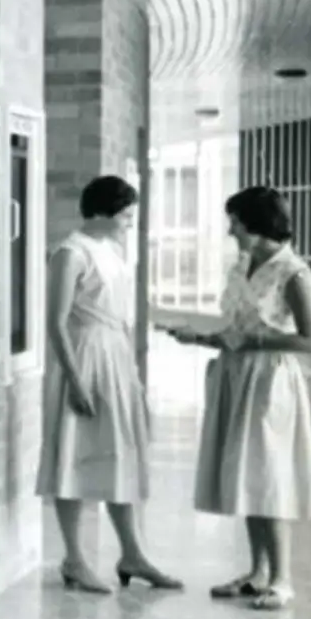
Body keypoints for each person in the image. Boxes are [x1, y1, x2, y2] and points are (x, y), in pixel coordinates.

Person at [158, 185, 311, 611]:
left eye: (235, 221)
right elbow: (235, 329)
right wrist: (200, 338)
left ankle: (283, 580)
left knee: (270, 476)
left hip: (270, 382)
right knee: (250, 475)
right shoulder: (242, 265)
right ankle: (257, 574)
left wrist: (254, 342)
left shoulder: (293, 272)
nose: (230, 229)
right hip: (238, 377)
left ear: (257, 223)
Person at [39, 175, 180, 594]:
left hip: (115, 359)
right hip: (84, 359)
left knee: (120, 454)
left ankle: (132, 553)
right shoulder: (70, 253)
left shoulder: (113, 251)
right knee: (75, 455)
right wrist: (76, 382)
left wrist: (132, 376)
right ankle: (75, 559)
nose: (128, 224)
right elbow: (56, 322)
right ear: (100, 213)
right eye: (125, 216)